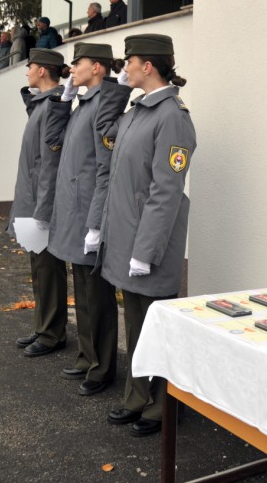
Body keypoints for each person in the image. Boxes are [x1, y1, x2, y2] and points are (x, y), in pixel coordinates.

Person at [101, 34, 195, 437]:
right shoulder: (139, 109)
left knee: (155, 325)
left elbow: (165, 190)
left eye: (129, 63)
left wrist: (146, 251)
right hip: (127, 236)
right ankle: (136, 396)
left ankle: (161, 405)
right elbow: (106, 140)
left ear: (148, 66)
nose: (124, 69)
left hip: (148, 242)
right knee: (136, 323)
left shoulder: (171, 115)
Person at [46, 43, 132, 395]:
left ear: (97, 67)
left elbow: (103, 170)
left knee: (96, 295)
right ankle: (87, 354)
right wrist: (63, 99)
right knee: (81, 292)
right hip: (72, 211)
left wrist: (96, 223)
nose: (72, 68)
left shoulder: (103, 106)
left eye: (77, 63)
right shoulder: (81, 105)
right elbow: (53, 140)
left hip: (87, 213)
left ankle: (102, 368)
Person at [7, 49, 71, 358]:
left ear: (43, 70)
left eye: (30, 66)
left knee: (48, 269)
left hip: (40, 202)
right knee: (38, 267)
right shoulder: (43, 104)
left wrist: (43, 211)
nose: (26, 71)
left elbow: (50, 164)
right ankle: (43, 325)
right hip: (32, 199)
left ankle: (52, 332)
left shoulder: (53, 106)